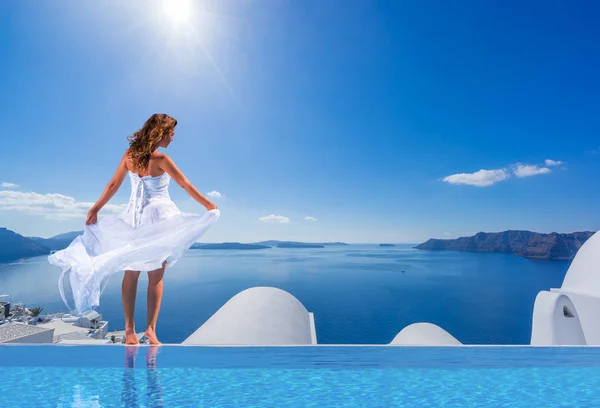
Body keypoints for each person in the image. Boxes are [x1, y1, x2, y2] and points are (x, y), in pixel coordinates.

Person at [49, 113, 219, 345]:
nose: (172, 138)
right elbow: (184, 184)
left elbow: (113, 184)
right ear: (160, 133)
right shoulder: (162, 159)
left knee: (131, 272)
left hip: (132, 218)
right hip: (159, 217)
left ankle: (130, 330)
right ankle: (150, 330)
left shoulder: (129, 156)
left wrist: (95, 209)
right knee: (156, 275)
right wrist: (208, 205)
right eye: (171, 133)